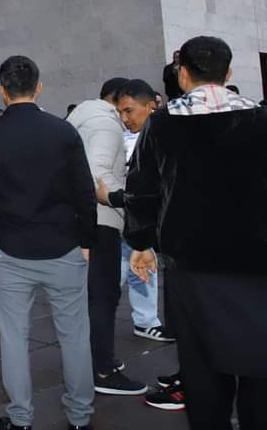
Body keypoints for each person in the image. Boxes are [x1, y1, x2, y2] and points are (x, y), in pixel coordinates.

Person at [125, 36, 267, 430]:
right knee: (260, 366)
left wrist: (140, 244)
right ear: (229, 73)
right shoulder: (260, 118)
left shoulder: (163, 123)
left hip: (193, 267)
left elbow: (142, 189)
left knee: (202, 372)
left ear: (183, 74)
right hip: (258, 265)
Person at [0, 55, 96, 430]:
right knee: (74, 336)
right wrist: (87, 239)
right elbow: (84, 192)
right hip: (63, 245)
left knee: (13, 337)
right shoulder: (62, 131)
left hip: (10, 248)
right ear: (39, 86)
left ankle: (21, 418)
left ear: (1, 89)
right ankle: (79, 417)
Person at [66, 78, 149, 396]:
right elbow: (97, 173)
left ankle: (97, 359)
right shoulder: (107, 124)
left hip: (84, 220)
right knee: (103, 297)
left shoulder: (82, 119)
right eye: (125, 109)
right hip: (100, 221)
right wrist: (122, 199)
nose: (128, 119)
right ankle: (100, 369)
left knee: (93, 297)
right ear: (116, 101)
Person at [113, 80, 181, 413]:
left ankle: (146, 320)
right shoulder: (124, 136)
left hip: (159, 227)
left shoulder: (165, 132)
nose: (125, 118)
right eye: (120, 112)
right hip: (135, 223)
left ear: (150, 105)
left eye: (129, 110)